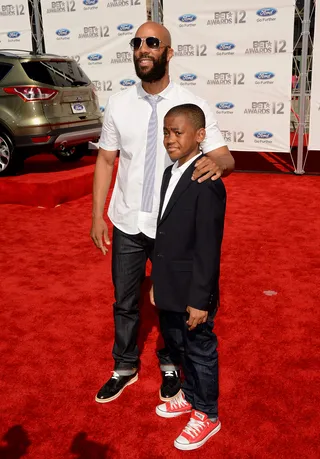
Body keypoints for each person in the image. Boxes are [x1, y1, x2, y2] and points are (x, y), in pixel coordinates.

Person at [90, 21, 234, 404]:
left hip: (171, 226)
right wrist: (95, 215)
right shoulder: (119, 103)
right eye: (137, 42)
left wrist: (219, 165)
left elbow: (223, 155)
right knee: (125, 299)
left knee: (170, 300)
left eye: (152, 43)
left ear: (168, 53)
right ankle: (124, 366)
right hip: (127, 220)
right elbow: (106, 160)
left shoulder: (192, 104)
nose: (143, 48)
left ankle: (170, 363)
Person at [150, 103, 225, 451]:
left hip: (194, 290)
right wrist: (157, 281)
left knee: (200, 350)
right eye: (166, 132)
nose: (170, 139)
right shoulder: (170, 172)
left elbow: (208, 247)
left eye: (177, 132)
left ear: (200, 135)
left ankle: (207, 415)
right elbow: (165, 232)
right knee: (179, 344)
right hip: (171, 283)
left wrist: (200, 299)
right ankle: (191, 397)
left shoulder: (207, 179)